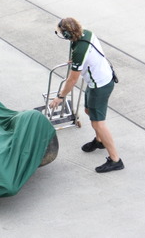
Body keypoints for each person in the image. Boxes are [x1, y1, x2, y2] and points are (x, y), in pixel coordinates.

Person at [50, 17, 124, 173]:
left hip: (100, 85)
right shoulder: (84, 34)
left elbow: (72, 80)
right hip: (97, 80)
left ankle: (115, 160)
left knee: (98, 123)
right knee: (88, 111)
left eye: (60, 33)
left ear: (67, 34)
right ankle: (99, 141)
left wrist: (60, 97)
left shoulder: (79, 50)